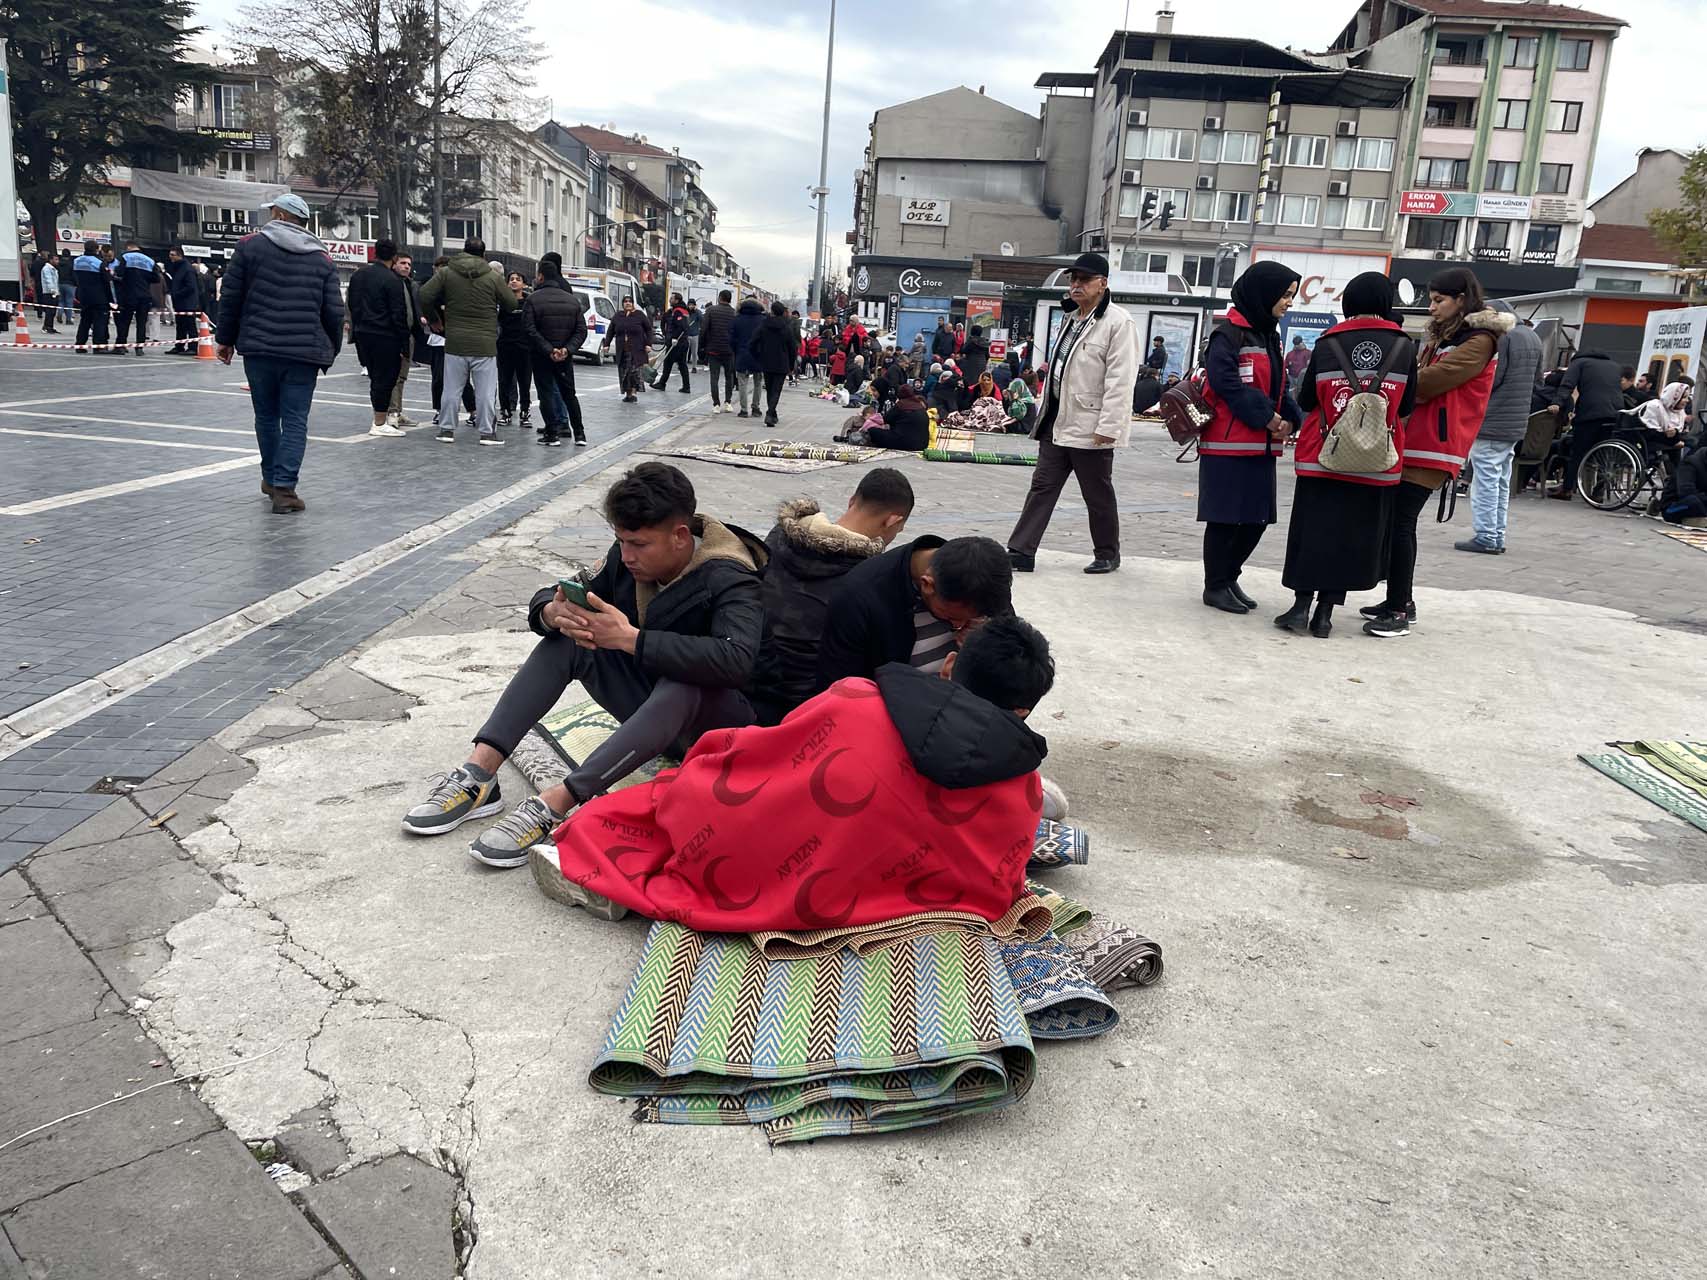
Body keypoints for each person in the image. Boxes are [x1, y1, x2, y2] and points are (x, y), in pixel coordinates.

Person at [529, 614, 1055, 929]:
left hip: (767, 867)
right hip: (888, 899)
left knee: (689, 788)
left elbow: (763, 762)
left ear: (948, 665)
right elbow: (998, 881)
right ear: (1024, 710)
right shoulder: (1024, 789)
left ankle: (596, 875)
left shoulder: (855, 699)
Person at [401, 463, 766, 867]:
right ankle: (481, 774)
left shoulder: (732, 576)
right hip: (656, 713)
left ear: (681, 537)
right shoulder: (624, 557)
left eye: (638, 544)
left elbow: (736, 660)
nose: (626, 556)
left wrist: (631, 639)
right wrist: (552, 613)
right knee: (571, 642)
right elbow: (563, 590)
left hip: (724, 727)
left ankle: (556, 803)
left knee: (684, 682)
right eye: (620, 541)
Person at [1363, 267, 1510, 638]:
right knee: (1396, 522)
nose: (1431, 307)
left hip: (1438, 443)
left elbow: (1432, 380)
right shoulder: (1446, 335)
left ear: (1462, 300)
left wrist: (1389, 383)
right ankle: (1401, 600)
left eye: (1439, 300)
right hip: (1417, 437)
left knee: (1400, 522)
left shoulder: (1479, 340)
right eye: (1431, 300)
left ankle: (1397, 610)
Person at [1274, 273, 1417, 639]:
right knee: (1350, 537)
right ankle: (1325, 615)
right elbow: (1406, 408)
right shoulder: (1404, 347)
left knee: (1314, 530)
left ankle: (1299, 607)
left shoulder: (1327, 343)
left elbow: (1307, 401)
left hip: (1324, 455)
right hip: (1375, 459)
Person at [1006, 251, 1140, 577]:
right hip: (1057, 420)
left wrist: (1109, 426)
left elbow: (1121, 381)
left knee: (1097, 493)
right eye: (1073, 279)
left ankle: (1107, 553)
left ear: (1103, 284)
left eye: (1084, 280)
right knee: (1042, 486)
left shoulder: (1119, 323)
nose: (1076, 285)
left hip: (1091, 424)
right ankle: (1021, 550)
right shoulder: (1072, 317)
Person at [749, 468, 915, 725]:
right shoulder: (870, 576)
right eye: (898, 530)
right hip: (808, 704)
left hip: (753, 678)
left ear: (852, 501)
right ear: (892, 521)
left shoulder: (780, 535)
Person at [214, 192, 344, 515]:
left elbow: (231, 297)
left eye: (272, 213)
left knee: (267, 416)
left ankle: (271, 479)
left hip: (259, 349)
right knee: (296, 420)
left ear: (281, 215)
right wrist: (330, 348)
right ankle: (285, 490)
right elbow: (334, 311)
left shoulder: (249, 247)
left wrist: (225, 339)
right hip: (303, 354)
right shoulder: (322, 258)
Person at [1195, 261, 1304, 612]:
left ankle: (1229, 576)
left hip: (1261, 447)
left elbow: (1279, 386)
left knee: (1257, 519)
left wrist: (1291, 417)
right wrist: (1267, 418)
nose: (1288, 302)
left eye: (1291, 296)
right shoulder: (1228, 335)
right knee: (1225, 519)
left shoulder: (1268, 334)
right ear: (1265, 293)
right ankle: (1215, 585)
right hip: (1227, 445)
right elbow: (1226, 383)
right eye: (1285, 295)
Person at [815, 534, 1012, 690]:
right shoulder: (859, 598)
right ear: (927, 585)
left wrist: (986, 643)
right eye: (952, 618)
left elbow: (1018, 674)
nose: (958, 627)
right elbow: (841, 691)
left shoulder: (986, 580)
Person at [1456, 300, 1543, 555]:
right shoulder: (1532, 336)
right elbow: (1538, 381)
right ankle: (1497, 534)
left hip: (1492, 419)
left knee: (1485, 480)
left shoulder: (1501, 338)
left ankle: (1485, 536)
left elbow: (1492, 379)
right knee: (1501, 480)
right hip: (1517, 421)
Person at [419, 238, 514, 444]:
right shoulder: (493, 276)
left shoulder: (446, 272)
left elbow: (425, 294)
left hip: (455, 342)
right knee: (485, 392)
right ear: (483, 254)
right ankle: (487, 432)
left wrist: (434, 319)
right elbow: (511, 302)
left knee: (452, 389)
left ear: (463, 251)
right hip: (485, 343)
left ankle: (446, 430)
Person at [345, 239, 412, 438]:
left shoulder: (358, 275)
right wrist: (404, 343)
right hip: (385, 335)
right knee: (386, 379)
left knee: (375, 377)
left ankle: (378, 420)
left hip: (363, 333)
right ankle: (379, 421)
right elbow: (398, 313)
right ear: (394, 257)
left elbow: (352, 304)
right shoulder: (392, 280)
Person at [523, 258, 588, 447]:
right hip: (564, 357)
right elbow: (581, 330)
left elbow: (529, 329)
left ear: (541, 277)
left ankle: (552, 434)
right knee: (569, 394)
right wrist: (567, 350)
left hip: (541, 355)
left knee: (546, 394)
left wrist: (549, 349)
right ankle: (580, 434)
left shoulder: (533, 299)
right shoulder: (572, 300)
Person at [1549, 346, 1624, 501]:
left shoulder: (1579, 363)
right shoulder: (1615, 366)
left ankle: (1567, 488)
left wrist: (1557, 403)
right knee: (1605, 454)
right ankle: (1599, 491)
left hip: (1590, 413)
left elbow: (1567, 385)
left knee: (1578, 451)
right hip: (1615, 413)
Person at [495, 271, 535, 431]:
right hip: (505, 346)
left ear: (524, 284)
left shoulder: (529, 302)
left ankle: (525, 413)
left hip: (524, 348)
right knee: (504, 381)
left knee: (524, 383)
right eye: (511, 279)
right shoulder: (502, 303)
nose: (514, 282)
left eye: (518, 279)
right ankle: (505, 412)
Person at [388, 254, 425, 428]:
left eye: (409, 264)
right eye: (402, 263)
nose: (406, 267)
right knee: (394, 376)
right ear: (394, 264)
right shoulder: (391, 282)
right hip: (394, 335)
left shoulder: (410, 284)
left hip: (409, 334)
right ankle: (392, 412)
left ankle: (397, 411)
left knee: (402, 376)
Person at [749, 300, 796, 428]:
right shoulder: (786, 327)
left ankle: (772, 413)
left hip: (767, 361)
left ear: (772, 311)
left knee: (770, 388)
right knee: (776, 390)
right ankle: (770, 413)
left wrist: (758, 356)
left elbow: (752, 342)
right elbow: (792, 348)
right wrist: (791, 365)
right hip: (782, 362)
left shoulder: (764, 325)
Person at [602, 295, 653, 403]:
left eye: (630, 301)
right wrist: (606, 344)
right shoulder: (618, 316)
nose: (628, 303)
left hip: (637, 349)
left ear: (633, 303)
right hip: (622, 349)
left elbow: (648, 330)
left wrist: (648, 344)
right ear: (623, 304)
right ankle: (628, 393)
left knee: (634, 371)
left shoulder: (639, 315)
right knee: (624, 372)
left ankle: (634, 393)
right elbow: (611, 331)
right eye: (625, 301)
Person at [112, 240, 159, 356]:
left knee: (125, 321)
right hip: (144, 295)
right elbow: (156, 279)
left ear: (128, 247)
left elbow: (119, 272)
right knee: (141, 322)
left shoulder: (125, 257)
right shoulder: (150, 260)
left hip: (128, 294)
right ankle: (139, 348)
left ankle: (121, 346)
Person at [700, 289, 737, 412]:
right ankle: (728, 402)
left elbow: (704, 330)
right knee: (729, 377)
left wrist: (703, 346)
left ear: (720, 298)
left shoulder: (710, 310)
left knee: (714, 377)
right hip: (729, 350)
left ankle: (716, 404)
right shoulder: (734, 313)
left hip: (713, 349)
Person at [73, 240, 113, 354]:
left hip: (83, 296)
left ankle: (80, 345)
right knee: (100, 322)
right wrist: (110, 299)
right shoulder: (99, 263)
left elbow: (75, 278)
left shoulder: (77, 261)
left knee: (85, 321)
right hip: (99, 297)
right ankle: (98, 346)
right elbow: (107, 281)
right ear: (97, 249)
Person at [866, 382, 931, 451]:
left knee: (872, 431)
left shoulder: (901, 405)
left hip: (905, 443)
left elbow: (885, 419)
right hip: (923, 444)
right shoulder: (920, 406)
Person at [730, 295, 766, 416]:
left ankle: (744, 409)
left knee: (742, 382)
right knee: (758, 382)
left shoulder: (737, 319)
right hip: (759, 355)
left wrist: (736, 350)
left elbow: (732, 339)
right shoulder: (763, 319)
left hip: (742, 353)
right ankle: (756, 408)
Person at [161, 248, 201, 354]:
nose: (170, 257)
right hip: (180, 302)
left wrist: (177, 294)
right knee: (180, 325)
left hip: (187, 303)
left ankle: (192, 347)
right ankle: (179, 346)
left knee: (190, 325)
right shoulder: (178, 268)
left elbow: (191, 286)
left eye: (173, 255)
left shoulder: (187, 269)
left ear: (180, 255)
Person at [652, 293, 692, 393]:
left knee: (668, 363)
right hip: (683, 342)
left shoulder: (678, 311)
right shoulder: (684, 310)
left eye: (672, 298)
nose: (670, 300)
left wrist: (673, 338)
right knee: (682, 364)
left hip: (677, 342)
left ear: (677, 300)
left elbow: (681, 326)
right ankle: (686, 387)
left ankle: (662, 384)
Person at [36, 251, 60, 334]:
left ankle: (50, 326)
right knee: (49, 311)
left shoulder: (54, 269)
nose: (57, 261)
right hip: (49, 293)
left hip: (55, 292)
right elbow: (48, 280)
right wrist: (52, 291)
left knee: (53, 311)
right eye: (55, 259)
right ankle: (46, 327)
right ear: (50, 260)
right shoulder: (46, 269)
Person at [787, 308, 804, 383]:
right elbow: (797, 332)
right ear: (796, 315)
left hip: (787, 342)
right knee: (794, 359)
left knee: (787, 359)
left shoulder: (787, 320)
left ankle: (788, 374)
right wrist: (799, 342)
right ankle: (794, 375)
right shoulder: (796, 322)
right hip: (794, 343)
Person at [685, 298, 702, 366]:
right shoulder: (686, 312)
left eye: (692, 305)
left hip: (695, 334)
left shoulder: (698, 312)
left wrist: (697, 311)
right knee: (685, 351)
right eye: (690, 305)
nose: (691, 306)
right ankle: (683, 365)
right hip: (686, 334)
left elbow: (702, 319)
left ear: (695, 305)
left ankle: (694, 366)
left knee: (694, 352)